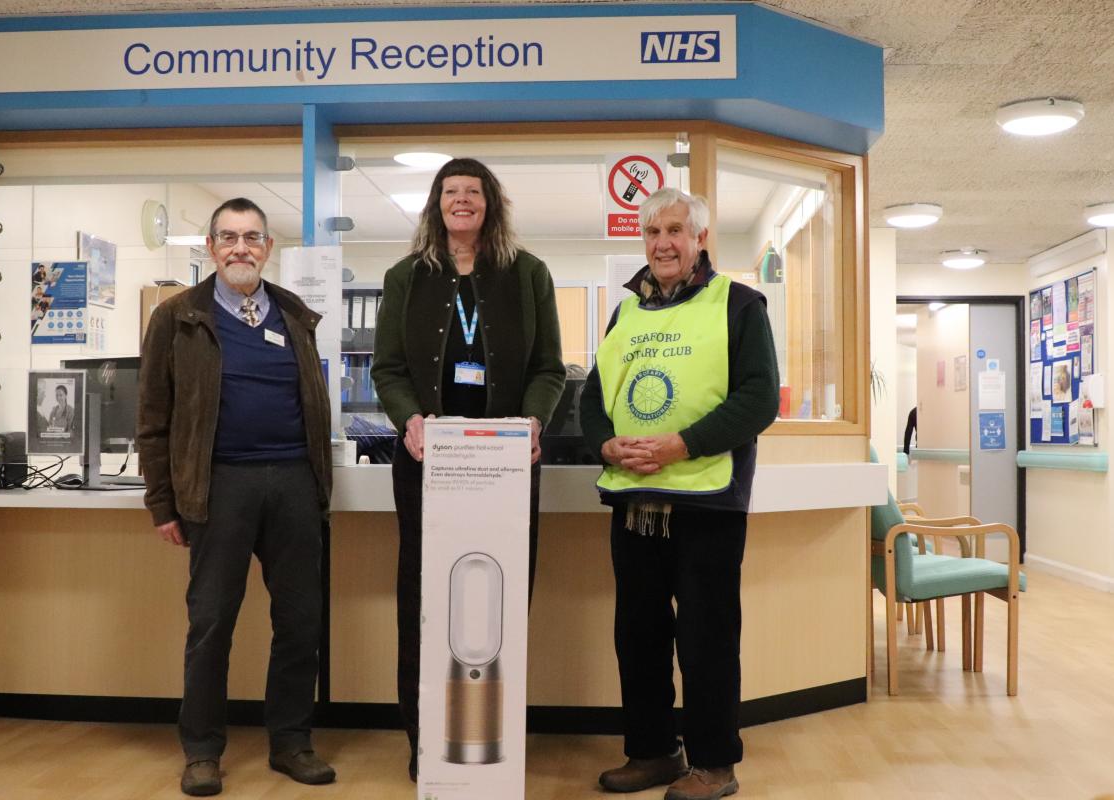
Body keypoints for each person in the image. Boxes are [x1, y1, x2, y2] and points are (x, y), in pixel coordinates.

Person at [580, 188, 780, 800]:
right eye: (652, 232)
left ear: (700, 240)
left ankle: (715, 764)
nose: (662, 243)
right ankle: (653, 753)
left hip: (707, 501)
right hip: (636, 500)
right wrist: (607, 444)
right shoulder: (625, 315)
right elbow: (594, 395)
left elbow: (758, 399)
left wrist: (681, 445)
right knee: (637, 634)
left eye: (675, 231)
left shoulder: (739, 303)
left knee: (706, 637)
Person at [371, 157, 565, 782]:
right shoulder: (405, 277)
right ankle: (423, 737)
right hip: (428, 460)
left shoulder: (528, 274)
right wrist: (409, 420)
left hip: (505, 461)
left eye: (472, 192)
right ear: (436, 203)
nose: (461, 201)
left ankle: (497, 736)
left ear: (490, 203)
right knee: (423, 601)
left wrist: (534, 421)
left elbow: (549, 369)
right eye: (450, 192)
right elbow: (389, 370)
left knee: (501, 600)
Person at [138, 198, 335, 797]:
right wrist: (163, 503)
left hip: (295, 483)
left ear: (268, 248)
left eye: (252, 237)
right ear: (210, 247)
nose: (240, 248)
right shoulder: (178, 317)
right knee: (211, 624)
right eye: (228, 237)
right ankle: (201, 752)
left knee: (301, 622)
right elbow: (153, 416)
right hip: (220, 485)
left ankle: (291, 742)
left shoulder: (295, 314)